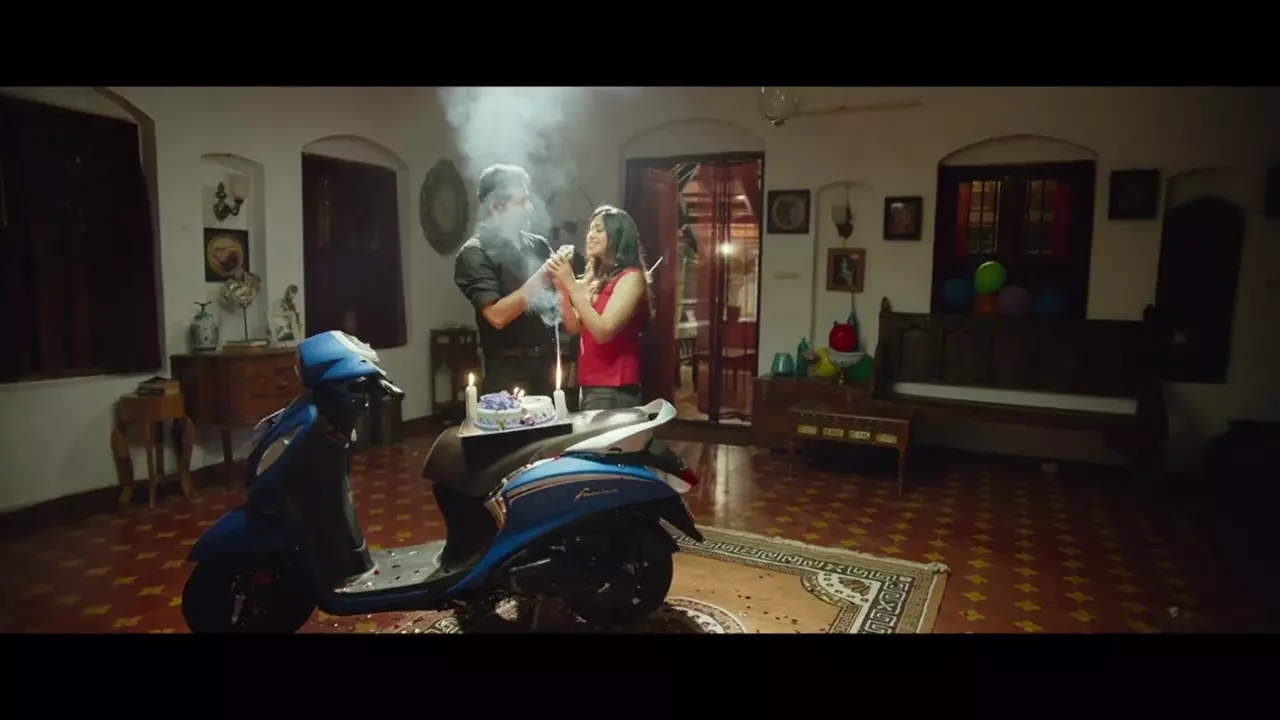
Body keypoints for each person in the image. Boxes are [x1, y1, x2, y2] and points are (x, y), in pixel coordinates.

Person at [453, 164, 558, 396]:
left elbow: (562, 299)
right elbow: (497, 316)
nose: (530, 208)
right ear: (496, 206)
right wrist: (541, 278)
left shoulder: (538, 245)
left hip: (546, 366)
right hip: (507, 372)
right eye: (521, 202)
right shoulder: (475, 252)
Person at [547, 205, 656, 411]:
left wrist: (571, 284)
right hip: (589, 385)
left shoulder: (631, 278)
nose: (590, 235)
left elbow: (603, 331)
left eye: (598, 230)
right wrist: (562, 289)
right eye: (590, 230)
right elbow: (574, 328)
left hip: (614, 387)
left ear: (617, 236)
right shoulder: (594, 280)